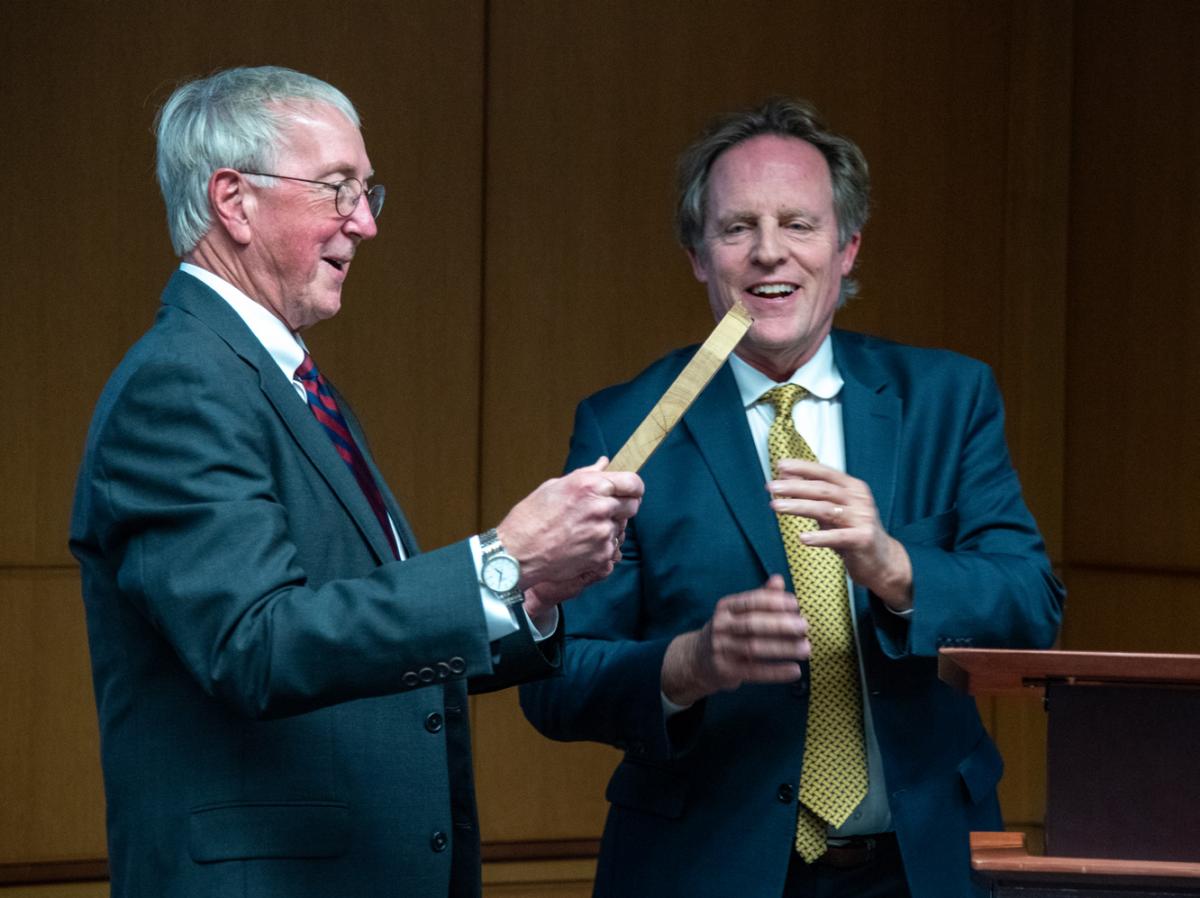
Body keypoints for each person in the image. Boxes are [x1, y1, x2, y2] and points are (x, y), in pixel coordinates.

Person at [69, 66, 643, 898]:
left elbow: (372, 640)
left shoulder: (280, 377)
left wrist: (531, 588)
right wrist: (500, 561)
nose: (366, 223)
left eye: (369, 192)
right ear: (234, 202)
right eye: (340, 189)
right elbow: (256, 645)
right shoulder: (183, 383)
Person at [520, 97, 1065, 898]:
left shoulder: (950, 397)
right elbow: (555, 681)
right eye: (737, 228)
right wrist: (690, 663)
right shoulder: (626, 423)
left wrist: (897, 568)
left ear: (847, 248)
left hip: (921, 867)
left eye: (799, 226)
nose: (768, 254)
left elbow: (1032, 607)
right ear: (699, 256)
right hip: (703, 868)